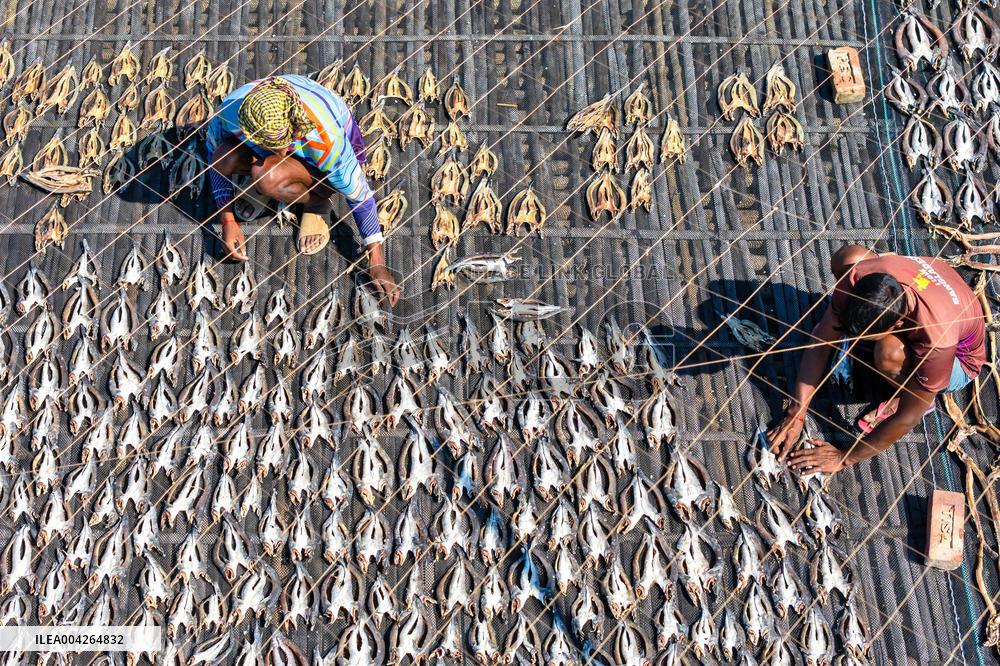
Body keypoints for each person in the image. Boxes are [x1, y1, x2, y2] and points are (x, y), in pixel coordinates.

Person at [768, 250, 986, 473]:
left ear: (899, 323)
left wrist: (844, 458)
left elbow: (907, 418)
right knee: (847, 257)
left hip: (959, 361)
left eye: (864, 335)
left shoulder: (937, 341)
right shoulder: (860, 275)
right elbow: (822, 338)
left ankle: (915, 394)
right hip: (937, 290)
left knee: (889, 354)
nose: (854, 339)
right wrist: (797, 411)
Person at [206, 75, 400, 305]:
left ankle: (316, 202)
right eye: (268, 146)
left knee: (266, 176)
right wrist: (228, 221)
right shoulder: (231, 110)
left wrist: (376, 262)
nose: (280, 152)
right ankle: (274, 179)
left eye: (280, 146)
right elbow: (214, 160)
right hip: (278, 129)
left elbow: (361, 199)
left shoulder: (327, 141)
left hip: (322, 148)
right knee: (225, 157)